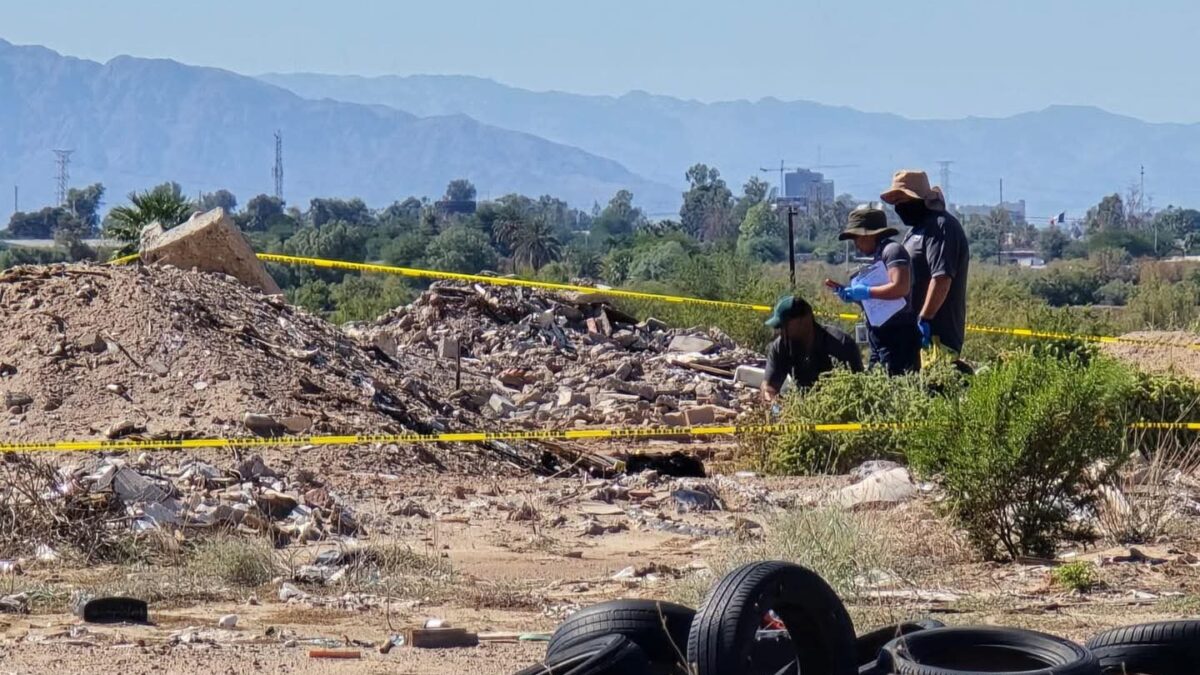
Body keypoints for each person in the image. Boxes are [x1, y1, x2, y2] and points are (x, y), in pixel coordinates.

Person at [880, 170, 970, 362]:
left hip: (937, 336)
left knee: (937, 379)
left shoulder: (941, 227)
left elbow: (941, 278)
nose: (899, 207)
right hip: (912, 334)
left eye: (902, 200)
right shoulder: (915, 231)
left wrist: (925, 318)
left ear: (919, 199)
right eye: (896, 202)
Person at [830, 208, 920, 375]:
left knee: (895, 384)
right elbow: (881, 297)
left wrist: (867, 292)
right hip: (879, 337)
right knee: (875, 382)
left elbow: (901, 287)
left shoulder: (893, 251)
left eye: (856, 238)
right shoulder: (876, 257)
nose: (855, 244)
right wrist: (853, 296)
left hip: (898, 337)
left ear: (869, 235)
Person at [761, 295, 863, 402]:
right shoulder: (781, 346)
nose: (781, 332)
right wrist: (774, 404)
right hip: (802, 407)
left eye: (784, 326)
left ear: (805, 319)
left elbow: (858, 390)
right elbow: (768, 387)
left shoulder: (841, 345)